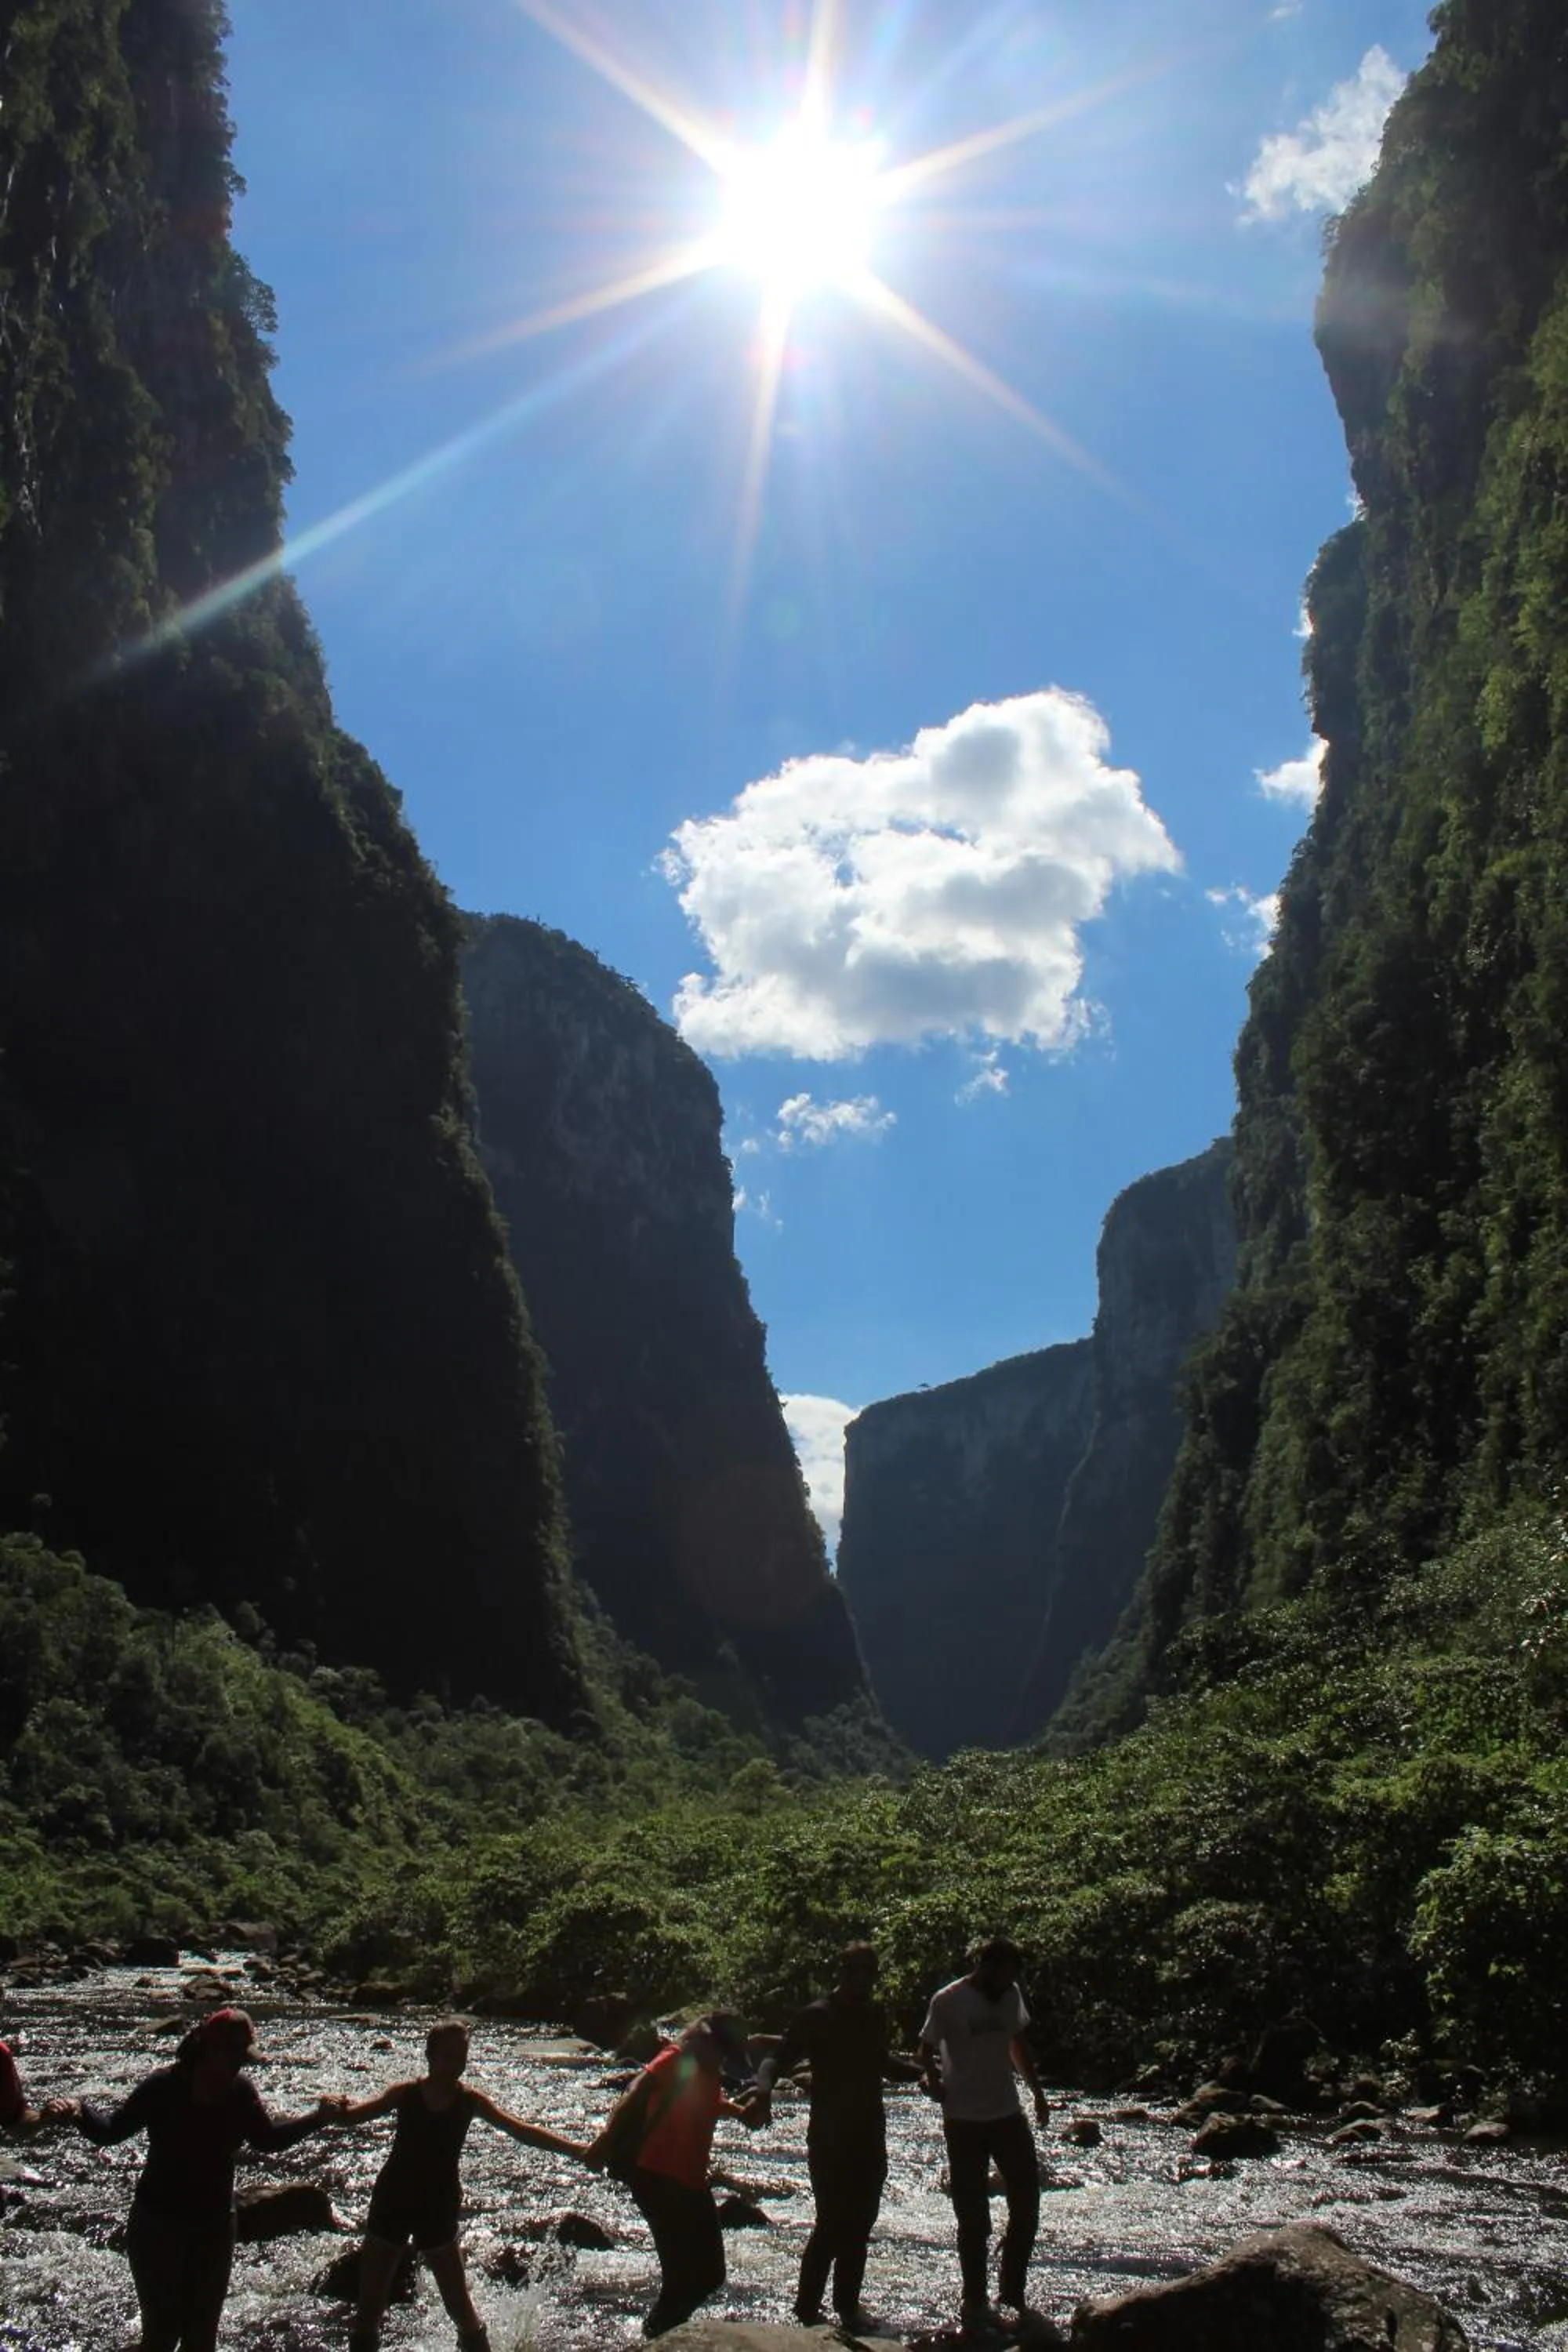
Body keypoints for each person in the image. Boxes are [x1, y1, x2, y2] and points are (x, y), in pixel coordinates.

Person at [57, 2005, 338, 2352]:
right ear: (207, 2049)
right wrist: (78, 2110)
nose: (239, 2063)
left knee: (201, 2340)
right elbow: (112, 2132)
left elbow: (266, 2140)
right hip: (158, 2224)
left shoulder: (240, 2092)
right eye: (233, 2054)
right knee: (161, 2337)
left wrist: (318, 2119)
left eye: (244, 2055)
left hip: (215, 2225)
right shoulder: (163, 2087)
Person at [328, 2015, 583, 2352]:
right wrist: (333, 2108)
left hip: (438, 2205)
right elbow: (353, 2117)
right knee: (369, 2310)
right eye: (447, 2056)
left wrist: (576, 2149)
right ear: (430, 2056)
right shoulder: (405, 2094)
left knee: (459, 2306)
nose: (454, 2065)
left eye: (460, 2058)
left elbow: (520, 2130)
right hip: (393, 2199)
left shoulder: (470, 2101)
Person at [752, 1941, 916, 2331]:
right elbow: (778, 2059)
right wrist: (763, 2091)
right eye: (853, 1969)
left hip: (869, 2132)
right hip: (829, 2135)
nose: (860, 1978)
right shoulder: (817, 2015)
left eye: (868, 1971)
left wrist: (922, 2073)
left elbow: (884, 2064)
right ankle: (807, 2309)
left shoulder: (875, 2014)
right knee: (830, 2223)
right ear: (841, 1971)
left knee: (861, 2224)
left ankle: (847, 2308)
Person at [585, 2010, 763, 2339]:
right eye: (725, 2053)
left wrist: (738, 2111)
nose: (726, 2061)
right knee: (681, 2278)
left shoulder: (707, 2067)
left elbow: (704, 2099)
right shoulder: (677, 2057)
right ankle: (657, 2336)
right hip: (656, 2176)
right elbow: (636, 2091)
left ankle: (663, 2332)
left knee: (710, 2274)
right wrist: (605, 2141)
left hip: (691, 2180)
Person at [917, 1937, 1050, 2336]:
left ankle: (1012, 2294)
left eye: (1013, 1975)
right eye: (1002, 1974)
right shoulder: (948, 2000)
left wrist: (1038, 2093)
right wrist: (933, 2080)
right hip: (964, 2119)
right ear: (984, 1967)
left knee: (1027, 2200)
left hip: (1008, 2114)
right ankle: (974, 2300)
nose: (1007, 1982)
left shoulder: (1010, 1995)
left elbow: (1017, 2042)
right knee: (973, 2215)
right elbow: (924, 2049)